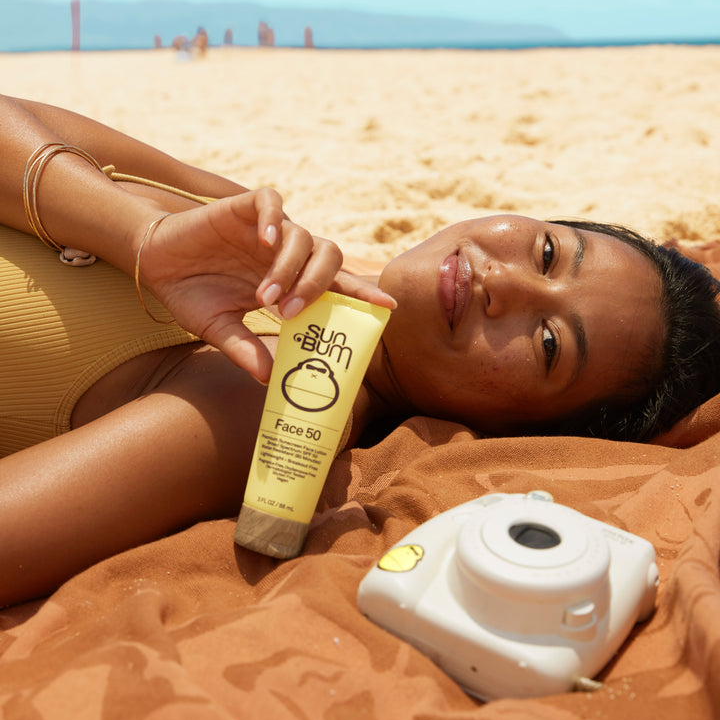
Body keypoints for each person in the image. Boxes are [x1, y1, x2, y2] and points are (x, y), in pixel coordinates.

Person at [0, 94, 718, 607]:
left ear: (519, 426)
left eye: (549, 342)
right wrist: (139, 235)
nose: (503, 282)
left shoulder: (277, 403)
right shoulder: (249, 220)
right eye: (550, 251)